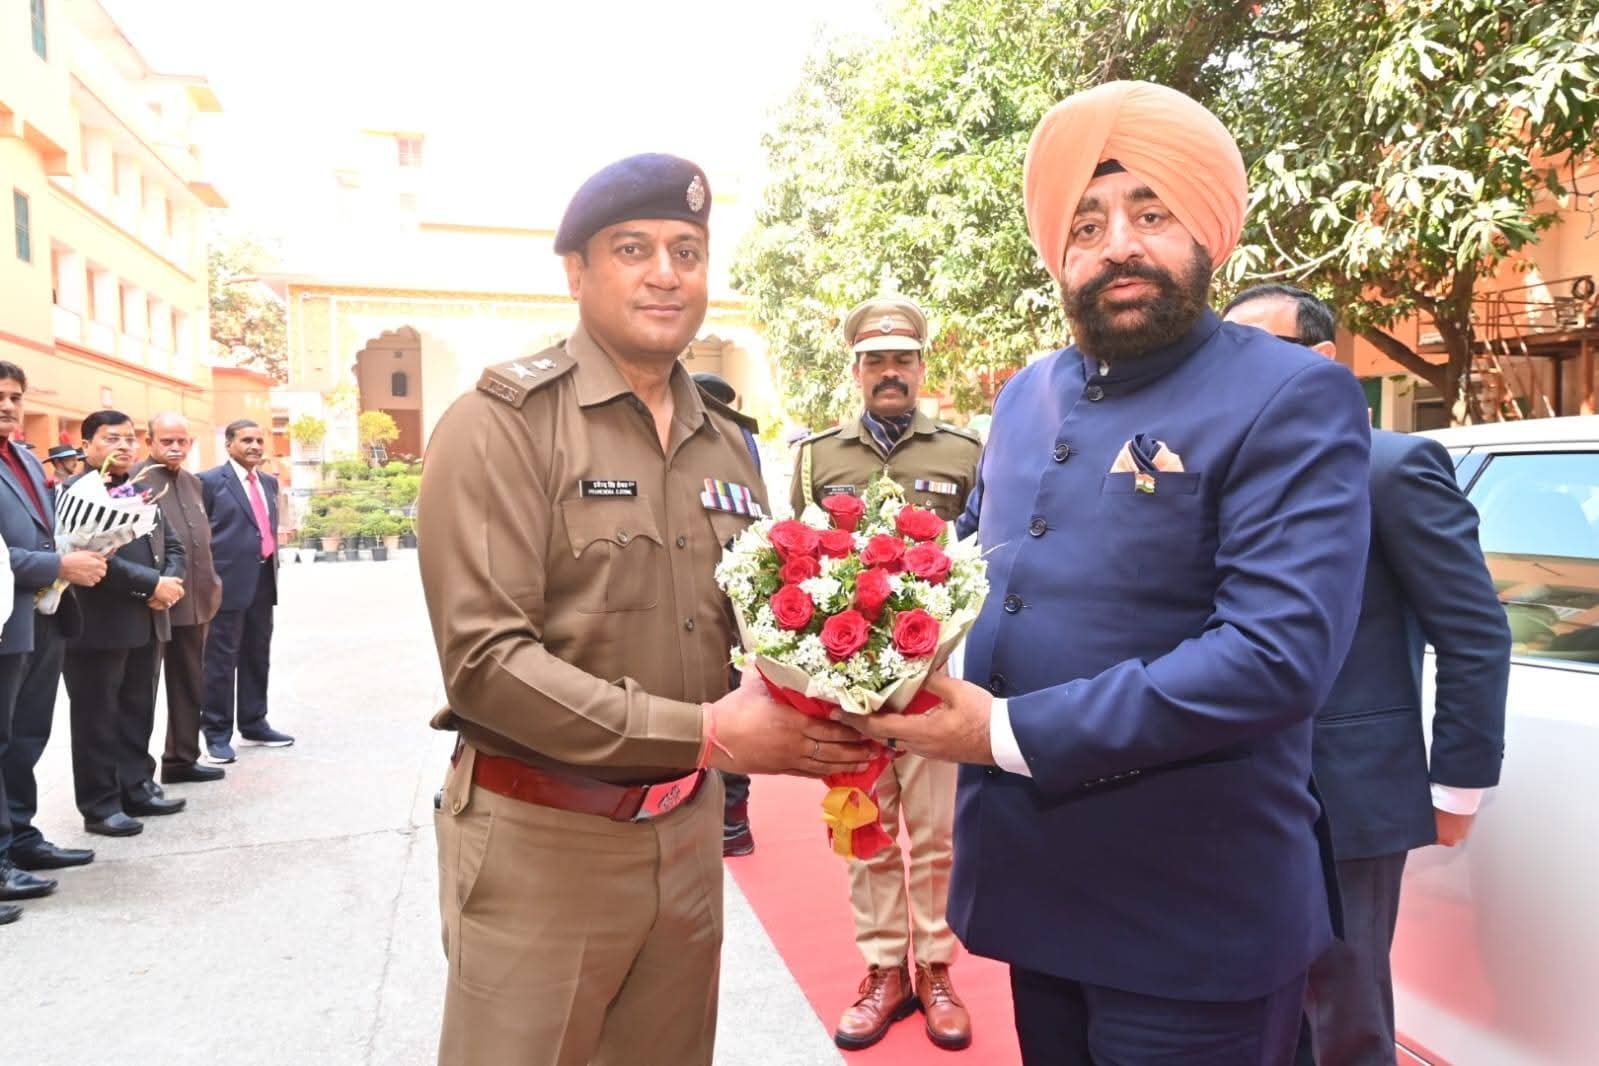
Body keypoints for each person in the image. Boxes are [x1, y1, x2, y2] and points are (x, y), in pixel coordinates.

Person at [847, 81, 1373, 1065]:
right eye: (1085, 224)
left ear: (1206, 232)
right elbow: (976, 563)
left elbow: (1275, 656)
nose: (1117, 244)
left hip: (1192, 916)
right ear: (1058, 250)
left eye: (1150, 212)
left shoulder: (1291, 393)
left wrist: (996, 730)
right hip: (1033, 894)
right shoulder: (1025, 395)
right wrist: (859, 647)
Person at [417, 152, 874, 1066]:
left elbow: (757, 624)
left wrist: (853, 693)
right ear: (576, 272)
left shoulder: (727, 443)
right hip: (543, 840)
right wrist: (710, 732)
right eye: (633, 249)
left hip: (687, 832)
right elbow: (485, 665)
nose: (666, 273)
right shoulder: (503, 422)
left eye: (686, 251)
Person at [1222, 284, 1510, 1066]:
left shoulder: (1389, 466)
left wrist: (1456, 786)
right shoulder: (1217, 474)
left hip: (1347, 789)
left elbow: (1473, 631)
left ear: (1321, 362)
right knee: (1250, 1004)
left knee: (1342, 1010)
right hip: (1232, 783)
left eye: (1259, 350)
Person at [790, 296, 981, 1053]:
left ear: (921, 367)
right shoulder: (817, 457)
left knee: (935, 836)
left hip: (932, 681)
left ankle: (934, 968)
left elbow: (981, 560)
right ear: (857, 370)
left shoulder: (963, 453)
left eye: (903, 358)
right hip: (848, 685)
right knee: (862, 831)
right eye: (876, 361)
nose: (890, 372)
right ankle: (882, 971)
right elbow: (794, 566)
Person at [0, 363, 105, 923]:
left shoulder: (22, 455)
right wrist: (58, 565)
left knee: (26, 735)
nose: (8, 405)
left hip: (43, 614)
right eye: (0, 396)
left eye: (15, 396)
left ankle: (20, 837)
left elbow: (46, 531)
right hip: (6, 616)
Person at [62, 410, 187, 838]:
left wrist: (169, 582)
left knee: (138, 708)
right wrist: (151, 585)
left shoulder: (140, 489)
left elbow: (172, 545)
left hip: (146, 618)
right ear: (86, 445)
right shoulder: (77, 494)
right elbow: (89, 559)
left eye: (130, 439)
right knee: (97, 717)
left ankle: (136, 787)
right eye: (111, 438)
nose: (123, 446)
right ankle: (100, 805)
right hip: (97, 624)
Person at [690, 371, 762, 858]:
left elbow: (757, 527)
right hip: (690, 607)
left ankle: (733, 818)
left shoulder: (740, 445)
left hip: (725, 613)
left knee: (729, 711)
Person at [199, 419, 293, 763]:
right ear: (229, 445)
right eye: (246, 440)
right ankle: (216, 733)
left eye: (259, 440)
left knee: (256, 655)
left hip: (263, 580)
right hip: (225, 584)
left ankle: (254, 723)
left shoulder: (268, 482)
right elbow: (201, 534)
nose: (254, 446)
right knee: (220, 661)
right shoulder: (209, 482)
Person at [139, 413, 226, 784]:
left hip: (196, 601)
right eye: (166, 441)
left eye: (182, 441)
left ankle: (181, 759)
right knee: (142, 692)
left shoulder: (193, 482)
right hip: (153, 603)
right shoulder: (135, 483)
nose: (175, 448)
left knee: (189, 683)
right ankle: (137, 776)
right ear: (150, 442)